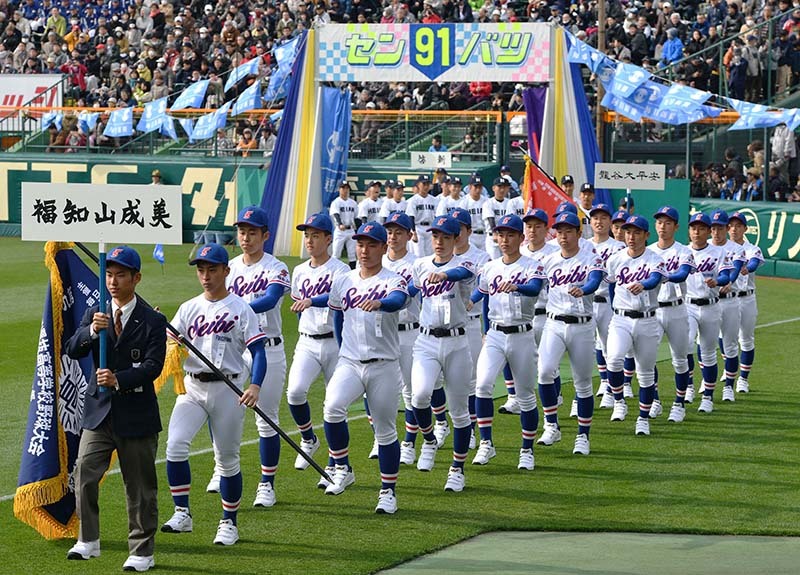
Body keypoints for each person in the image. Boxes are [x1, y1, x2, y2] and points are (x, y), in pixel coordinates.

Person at [65, 246, 166, 573]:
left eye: (121, 275)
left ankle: (141, 550)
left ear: (136, 278)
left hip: (136, 414)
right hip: (98, 412)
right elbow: (73, 346)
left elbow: (153, 366)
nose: (113, 281)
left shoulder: (152, 319)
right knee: (84, 473)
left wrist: (119, 378)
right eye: (109, 274)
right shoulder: (97, 312)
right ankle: (88, 539)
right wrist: (93, 331)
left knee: (139, 487)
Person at [162, 243, 267, 546]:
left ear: (225, 271)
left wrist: (255, 385)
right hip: (192, 388)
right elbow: (170, 345)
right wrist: (170, 339)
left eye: (211, 269)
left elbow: (258, 351)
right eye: (200, 269)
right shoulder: (189, 307)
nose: (205, 275)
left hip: (229, 388)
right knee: (176, 445)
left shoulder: (241, 309)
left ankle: (229, 523)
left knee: (227, 460)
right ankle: (182, 513)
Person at [321, 222, 409, 514]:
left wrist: (381, 303)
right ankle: (342, 467)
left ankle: (388, 491)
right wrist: (341, 345)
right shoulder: (343, 280)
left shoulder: (393, 279)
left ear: (384, 248)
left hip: (383, 365)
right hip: (350, 361)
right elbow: (336, 315)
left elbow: (398, 301)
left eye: (372, 244)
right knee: (332, 408)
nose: (365, 250)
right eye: (360, 244)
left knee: (384, 430)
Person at [208, 206, 290, 507]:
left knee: (266, 420)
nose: (246, 237)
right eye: (242, 231)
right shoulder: (228, 267)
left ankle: (267, 483)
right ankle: (221, 468)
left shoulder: (276, 266)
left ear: (265, 236)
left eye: (252, 232)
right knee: (220, 413)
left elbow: (269, 299)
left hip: (268, 348)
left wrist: (237, 309)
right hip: (234, 350)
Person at [470, 215, 545, 470]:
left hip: (522, 335)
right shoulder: (490, 267)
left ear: (521, 238)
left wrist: (518, 286)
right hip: (495, 334)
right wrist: (467, 303)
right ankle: (486, 444)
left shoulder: (532, 265)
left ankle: (527, 449)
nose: (504, 240)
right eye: (500, 235)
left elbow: (535, 288)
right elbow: (482, 296)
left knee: (525, 395)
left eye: (510, 235)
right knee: (482, 386)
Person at [409, 214, 476, 491]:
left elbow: (464, 275)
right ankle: (429, 440)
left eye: (446, 237)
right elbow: (409, 291)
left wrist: (444, 274)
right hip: (426, 340)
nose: (439, 242)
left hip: (457, 341)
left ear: (455, 239)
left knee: (460, 412)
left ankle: (457, 469)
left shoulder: (464, 263)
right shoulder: (420, 265)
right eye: (435, 236)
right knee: (420, 395)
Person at [286, 213, 350, 480]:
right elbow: (299, 306)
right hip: (308, 340)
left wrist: (312, 301)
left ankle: (337, 463)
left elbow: (337, 298)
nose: (309, 240)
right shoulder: (299, 271)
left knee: (333, 405)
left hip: (335, 343)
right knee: (295, 392)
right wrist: (307, 310)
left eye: (315, 235)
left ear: (328, 238)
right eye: (306, 235)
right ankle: (309, 438)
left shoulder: (341, 269)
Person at [536, 211, 605, 455]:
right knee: (544, 372)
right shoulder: (549, 259)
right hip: (553, 323)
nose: (563, 235)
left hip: (583, 325)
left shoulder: (591, 257)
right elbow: (536, 284)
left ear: (579, 232)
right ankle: (551, 425)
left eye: (569, 230)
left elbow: (594, 282)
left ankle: (583, 436)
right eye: (560, 230)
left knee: (583, 383)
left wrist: (584, 289)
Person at [603, 216, 667, 436]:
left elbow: (655, 279)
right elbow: (611, 285)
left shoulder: (655, 259)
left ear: (646, 235)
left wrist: (644, 284)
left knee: (646, 372)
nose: (631, 236)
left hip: (647, 320)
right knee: (614, 359)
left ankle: (643, 418)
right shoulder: (615, 259)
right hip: (621, 318)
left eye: (636, 232)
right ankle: (619, 400)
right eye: (627, 232)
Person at [649, 206, 697, 423]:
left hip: (677, 308)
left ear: (676, 227)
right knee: (648, 359)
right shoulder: (648, 251)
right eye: (660, 222)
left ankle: (678, 404)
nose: (663, 226)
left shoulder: (684, 251)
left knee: (679, 359)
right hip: (653, 310)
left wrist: (661, 276)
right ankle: (656, 400)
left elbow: (682, 274)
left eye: (668, 223)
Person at [381, 212, 421, 465]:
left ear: (409, 235)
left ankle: (409, 441)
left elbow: (409, 294)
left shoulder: (417, 264)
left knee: (410, 390)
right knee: (376, 389)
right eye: (390, 231)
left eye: (399, 232)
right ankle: (381, 436)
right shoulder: (377, 261)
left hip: (409, 331)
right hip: (382, 333)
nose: (393, 236)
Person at [684, 213, 733, 412]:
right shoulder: (682, 252)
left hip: (712, 306)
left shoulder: (718, 252)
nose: (697, 232)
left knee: (708, 353)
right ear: (689, 231)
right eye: (694, 228)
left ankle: (708, 396)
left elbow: (726, 274)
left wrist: (718, 281)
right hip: (688, 306)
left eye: (701, 228)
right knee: (686, 345)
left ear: (708, 231)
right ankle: (687, 386)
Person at [587, 204, 625, 408]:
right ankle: (603, 382)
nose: (599, 221)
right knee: (593, 345)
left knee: (609, 345)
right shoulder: (584, 245)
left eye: (603, 217)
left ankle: (612, 388)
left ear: (610, 222)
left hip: (607, 301)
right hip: (586, 302)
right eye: (595, 218)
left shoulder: (618, 247)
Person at [709, 210, 746, 403]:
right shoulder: (702, 248)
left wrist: (728, 280)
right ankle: (705, 384)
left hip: (731, 301)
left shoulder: (736, 248)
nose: (716, 231)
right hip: (709, 303)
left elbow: (737, 268)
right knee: (703, 345)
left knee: (730, 345)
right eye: (713, 228)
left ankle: (729, 387)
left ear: (726, 228)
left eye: (720, 227)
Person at [726, 211, 765, 394]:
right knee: (725, 339)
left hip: (747, 298)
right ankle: (729, 371)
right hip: (727, 299)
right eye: (731, 226)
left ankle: (743, 379)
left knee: (746, 339)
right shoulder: (720, 249)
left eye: (738, 226)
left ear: (745, 229)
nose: (734, 229)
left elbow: (754, 263)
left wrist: (746, 268)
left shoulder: (752, 249)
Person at [405, 174, 439, 257]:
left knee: (431, 255)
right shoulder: (413, 200)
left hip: (430, 228)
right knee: (419, 255)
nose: (426, 186)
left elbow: (437, 216)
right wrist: (413, 232)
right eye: (424, 184)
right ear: (418, 185)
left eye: (428, 184)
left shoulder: (434, 200)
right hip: (418, 228)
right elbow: (410, 217)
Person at [330, 180, 358, 269]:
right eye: (343, 188)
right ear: (339, 189)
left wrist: (356, 227)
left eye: (346, 188)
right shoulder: (336, 202)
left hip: (350, 230)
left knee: (352, 253)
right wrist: (339, 224)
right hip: (340, 231)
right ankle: (334, 271)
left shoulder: (353, 203)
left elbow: (356, 216)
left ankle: (352, 271)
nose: (345, 190)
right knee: (336, 253)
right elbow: (335, 214)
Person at [482, 177, 511, 258]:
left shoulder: (510, 202)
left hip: (506, 237)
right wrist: (495, 233)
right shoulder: (488, 203)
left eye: (504, 187)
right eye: (500, 187)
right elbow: (490, 219)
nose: (502, 190)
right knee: (494, 262)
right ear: (493, 188)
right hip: (492, 238)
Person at [460, 174, 488, 251]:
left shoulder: (486, 201)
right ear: (470, 187)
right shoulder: (464, 202)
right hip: (471, 236)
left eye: (480, 187)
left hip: (484, 235)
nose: (478, 190)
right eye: (476, 187)